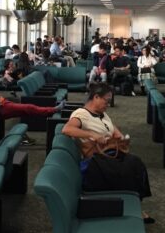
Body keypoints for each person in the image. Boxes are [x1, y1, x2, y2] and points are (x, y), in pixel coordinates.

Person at [61, 83, 154, 223]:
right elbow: (67, 129)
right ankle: (132, 206)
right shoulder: (81, 114)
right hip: (95, 160)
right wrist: (92, 134)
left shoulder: (102, 115)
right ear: (96, 97)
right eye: (107, 100)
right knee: (130, 166)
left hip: (108, 155)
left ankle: (134, 203)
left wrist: (120, 137)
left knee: (135, 163)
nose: (108, 104)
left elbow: (112, 128)